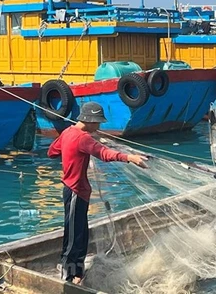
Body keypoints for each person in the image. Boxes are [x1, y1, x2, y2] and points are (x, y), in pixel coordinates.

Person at [48, 101, 148, 284]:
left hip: (77, 191)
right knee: (72, 236)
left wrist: (72, 153)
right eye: (98, 122)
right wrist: (130, 157)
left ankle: (78, 273)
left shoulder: (69, 133)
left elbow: (52, 152)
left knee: (81, 234)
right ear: (90, 120)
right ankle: (66, 277)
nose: (99, 126)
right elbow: (104, 154)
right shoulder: (82, 138)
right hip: (75, 191)